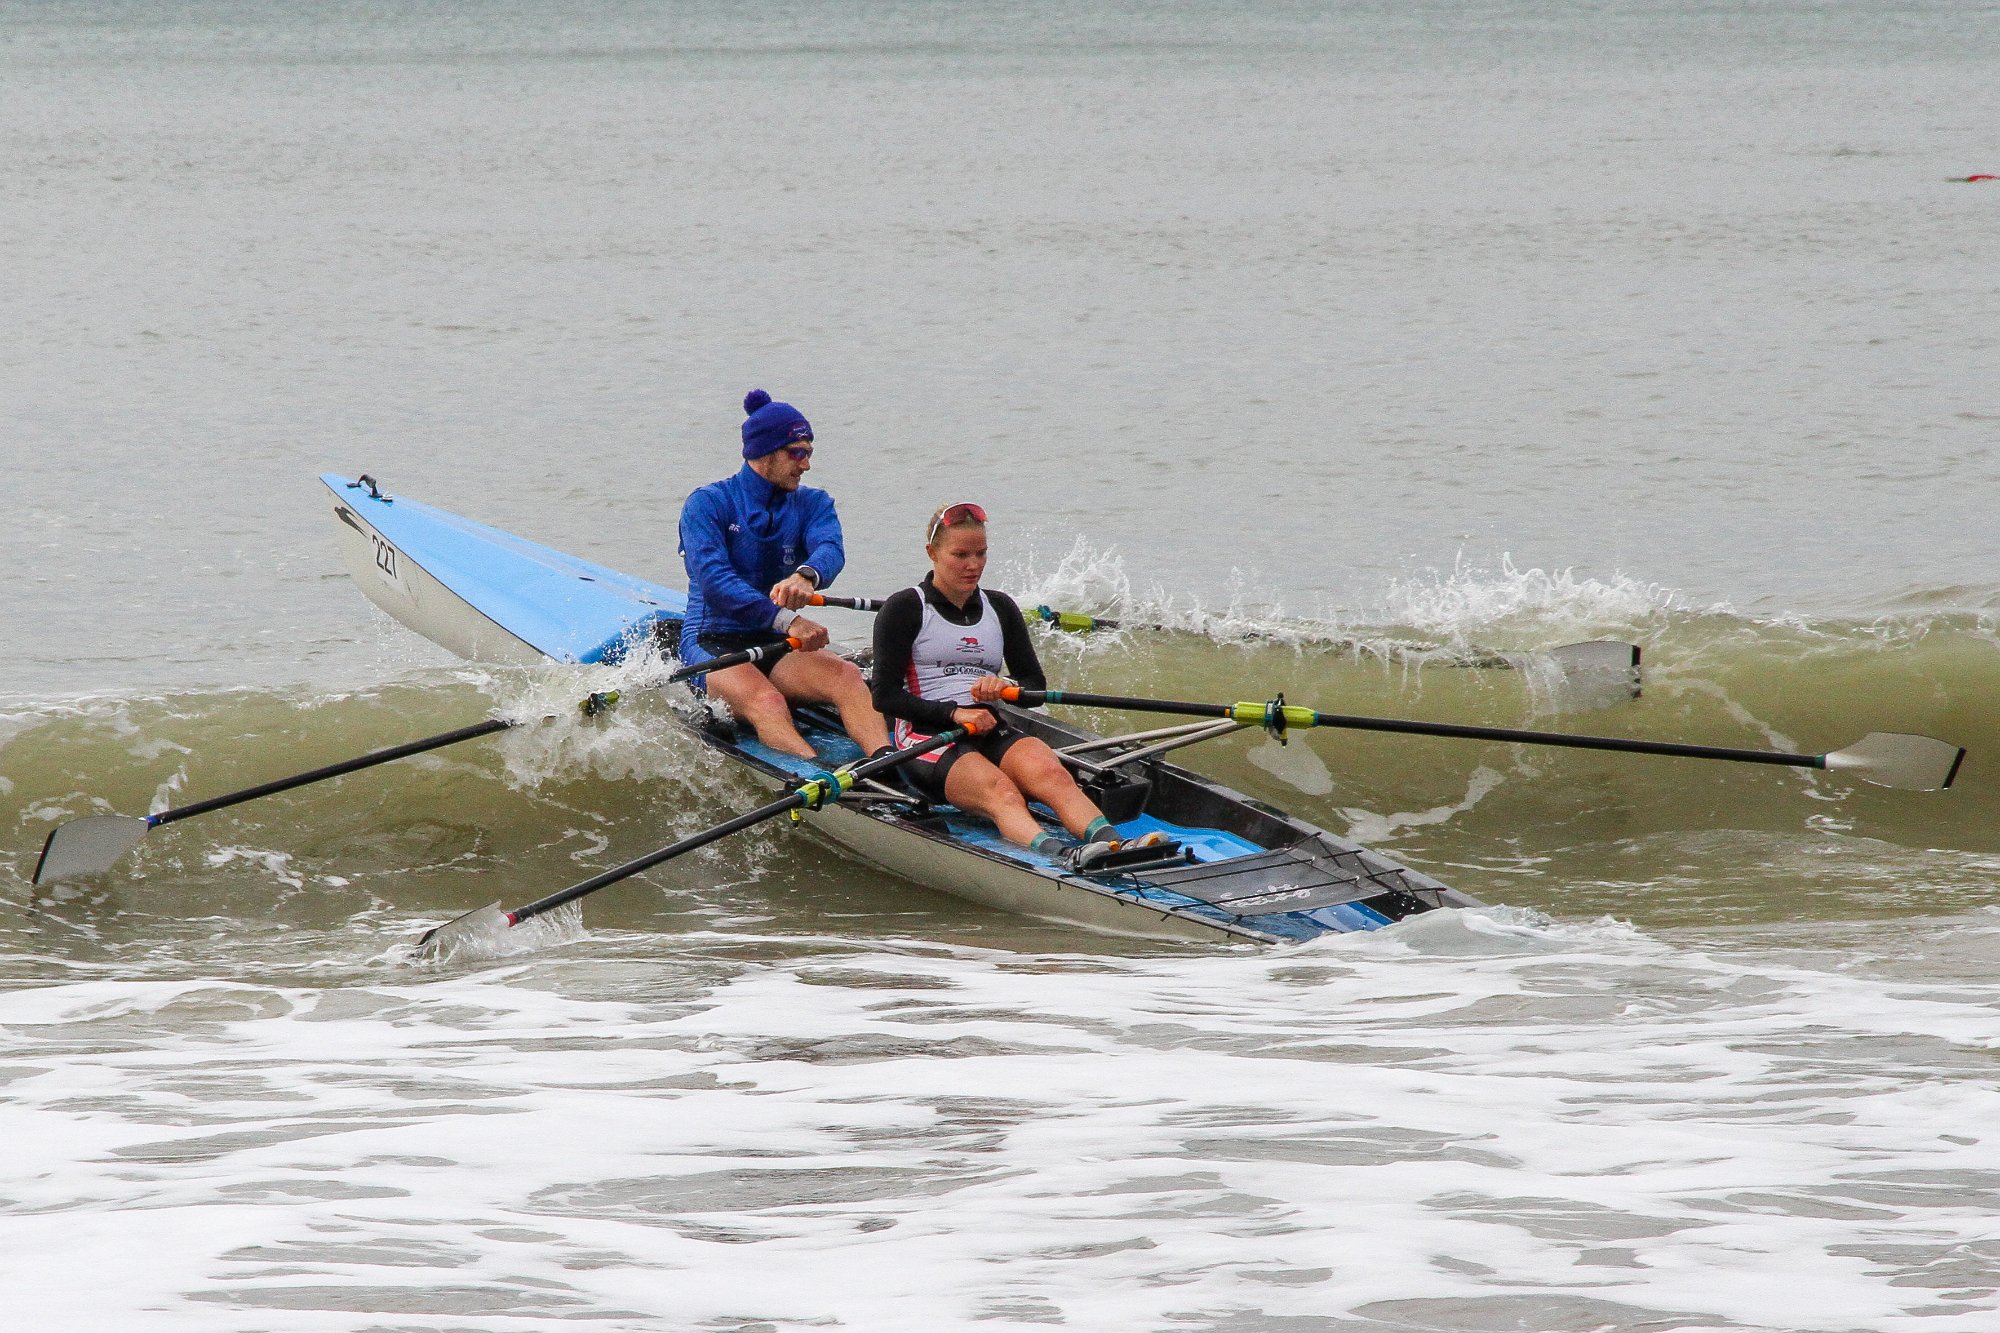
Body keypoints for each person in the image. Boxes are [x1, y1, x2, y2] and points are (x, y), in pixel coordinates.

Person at [871, 501, 1160, 870]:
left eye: (980, 553)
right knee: (1002, 792)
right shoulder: (905, 608)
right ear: (932, 553)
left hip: (988, 726)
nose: (973, 564)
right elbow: (884, 697)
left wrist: (1005, 685)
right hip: (924, 737)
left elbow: (1033, 683)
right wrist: (955, 713)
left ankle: (1118, 845)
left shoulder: (1000, 607)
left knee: (1052, 772)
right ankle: (1063, 856)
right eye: (960, 554)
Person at [677, 390, 891, 760]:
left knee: (847, 677)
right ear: (765, 452)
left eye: (809, 452)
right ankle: (823, 782)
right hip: (712, 641)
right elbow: (715, 582)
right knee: (768, 702)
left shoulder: (813, 502)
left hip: (773, 640)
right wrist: (786, 619)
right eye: (797, 453)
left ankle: (889, 765)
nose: (806, 464)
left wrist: (807, 576)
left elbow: (830, 549)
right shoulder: (708, 504)